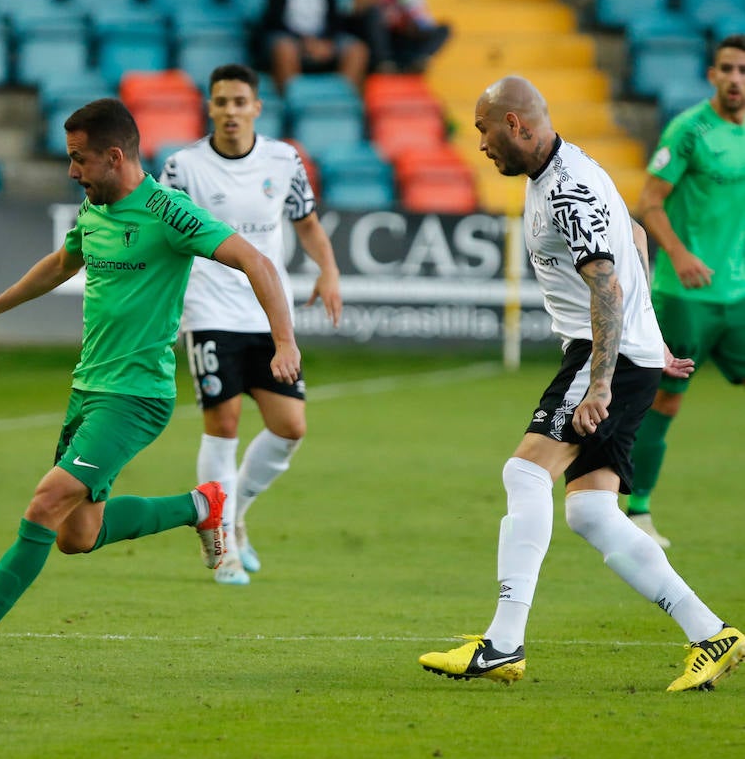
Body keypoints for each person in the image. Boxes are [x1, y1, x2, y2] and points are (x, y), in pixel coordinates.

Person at [0, 98, 301, 679]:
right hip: (87, 391)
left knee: (45, 502)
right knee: (78, 535)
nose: (71, 172)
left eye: (78, 160)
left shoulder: (170, 214)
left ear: (114, 156)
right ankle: (202, 505)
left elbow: (256, 262)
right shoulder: (93, 209)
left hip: (136, 398)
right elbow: (61, 262)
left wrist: (284, 342)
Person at [418, 76, 743, 692]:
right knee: (592, 512)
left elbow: (606, 284)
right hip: (628, 353)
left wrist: (601, 383)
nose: (481, 143)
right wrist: (651, 343)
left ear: (515, 124)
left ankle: (503, 644)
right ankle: (713, 634)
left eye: (485, 129)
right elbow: (636, 239)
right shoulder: (571, 171)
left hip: (605, 358)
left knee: (524, 472)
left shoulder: (566, 190)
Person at [158, 63, 341, 587]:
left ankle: (235, 515)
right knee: (225, 424)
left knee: (290, 427)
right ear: (210, 108)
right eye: (222, 102)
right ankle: (221, 548)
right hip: (210, 313)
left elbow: (307, 224)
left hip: (267, 312)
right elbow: (163, 235)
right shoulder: (183, 167)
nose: (231, 111)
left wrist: (329, 270)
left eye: (241, 102)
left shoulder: (284, 159)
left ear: (257, 107)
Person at [629, 34, 745, 548]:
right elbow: (649, 201)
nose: (736, 79)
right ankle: (637, 509)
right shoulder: (690, 131)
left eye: (743, 70)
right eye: (727, 69)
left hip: (737, 293)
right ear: (711, 75)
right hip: (684, 294)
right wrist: (678, 253)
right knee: (666, 400)